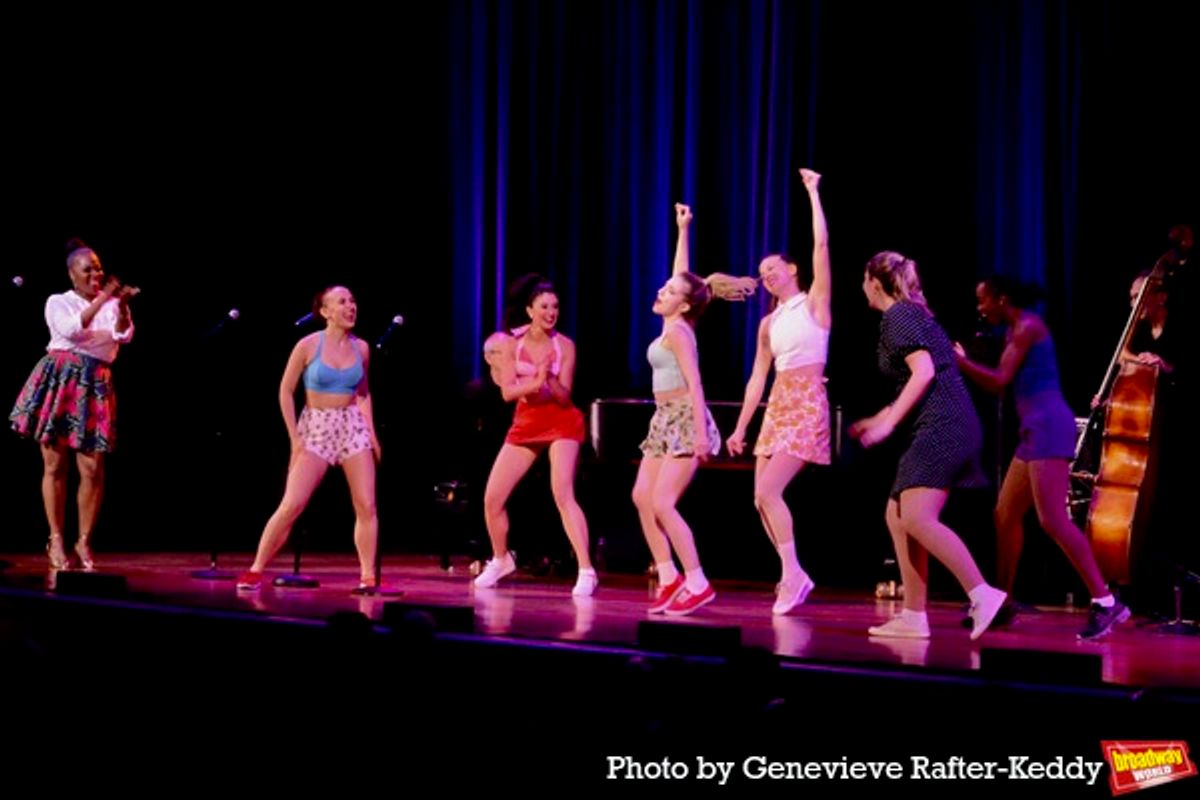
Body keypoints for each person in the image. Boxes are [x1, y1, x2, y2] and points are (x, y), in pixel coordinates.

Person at [955, 277, 1130, 639]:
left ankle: (1106, 601)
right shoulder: (1017, 328)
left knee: (1053, 521)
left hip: (1049, 429)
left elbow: (999, 380)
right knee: (1004, 515)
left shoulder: (1027, 328)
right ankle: (1001, 601)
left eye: (982, 300)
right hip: (1034, 432)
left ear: (1002, 299)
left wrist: (958, 361)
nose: (980, 308)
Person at [849, 251, 1006, 640]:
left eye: (863, 280)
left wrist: (889, 423)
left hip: (944, 425)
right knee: (897, 513)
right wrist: (883, 415)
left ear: (874, 281)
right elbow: (919, 379)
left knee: (917, 517)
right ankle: (913, 616)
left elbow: (924, 372)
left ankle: (983, 594)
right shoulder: (915, 315)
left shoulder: (897, 316)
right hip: (948, 421)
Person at [634, 203, 756, 616]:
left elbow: (696, 381)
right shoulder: (672, 322)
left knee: (664, 503)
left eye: (668, 293)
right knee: (641, 497)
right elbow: (681, 274)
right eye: (664, 289)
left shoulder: (681, 332)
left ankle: (698, 581)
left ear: (683, 306)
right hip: (663, 419)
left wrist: (704, 434)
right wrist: (682, 230)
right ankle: (669, 579)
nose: (660, 291)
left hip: (687, 418)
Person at [726, 168, 831, 615]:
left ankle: (793, 574)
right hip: (778, 406)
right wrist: (740, 426)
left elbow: (822, 247)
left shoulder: (814, 304)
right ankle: (792, 574)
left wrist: (812, 193)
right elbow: (757, 376)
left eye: (772, 268)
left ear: (791, 269)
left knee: (770, 492)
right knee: (758, 498)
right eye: (760, 272)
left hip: (806, 401)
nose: (765, 275)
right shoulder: (769, 323)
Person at [236, 286, 381, 591]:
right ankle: (256, 567)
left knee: (366, 504)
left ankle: (368, 576)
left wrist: (371, 433)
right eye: (342, 301)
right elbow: (285, 391)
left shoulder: (362, 348)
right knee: (291, 504)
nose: (350, 306)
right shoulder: (307, 345)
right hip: (315, 426)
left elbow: (363, 394)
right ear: (325, 311)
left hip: (351, 425)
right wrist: (294, 438)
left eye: (353, 300)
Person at [10, 238, 138, 571]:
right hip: (61, 380)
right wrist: (106, 300)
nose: (96, 272)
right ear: (72, 274)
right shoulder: (58, 301)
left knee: (93, 468)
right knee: (55, 465)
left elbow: (122, 336)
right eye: (89, 268)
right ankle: (56, 537)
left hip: (95, 383)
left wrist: (121, 307)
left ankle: (84, 541)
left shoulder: (111, 304)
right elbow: (72, 329)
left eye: (99, 267)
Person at [475, 274, 596, 595]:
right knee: (492, 498)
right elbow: (508, 392)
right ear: (530, 310)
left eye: (555, 306)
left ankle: (586, 569)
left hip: (562, 421)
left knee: (562, 492)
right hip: (527, 421)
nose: (551, 312)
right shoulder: (510, 344)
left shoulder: (565, 345)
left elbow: (564, 395)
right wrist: (537, 378)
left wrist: (550, 377)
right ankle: (501, 559)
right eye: (544, 306)